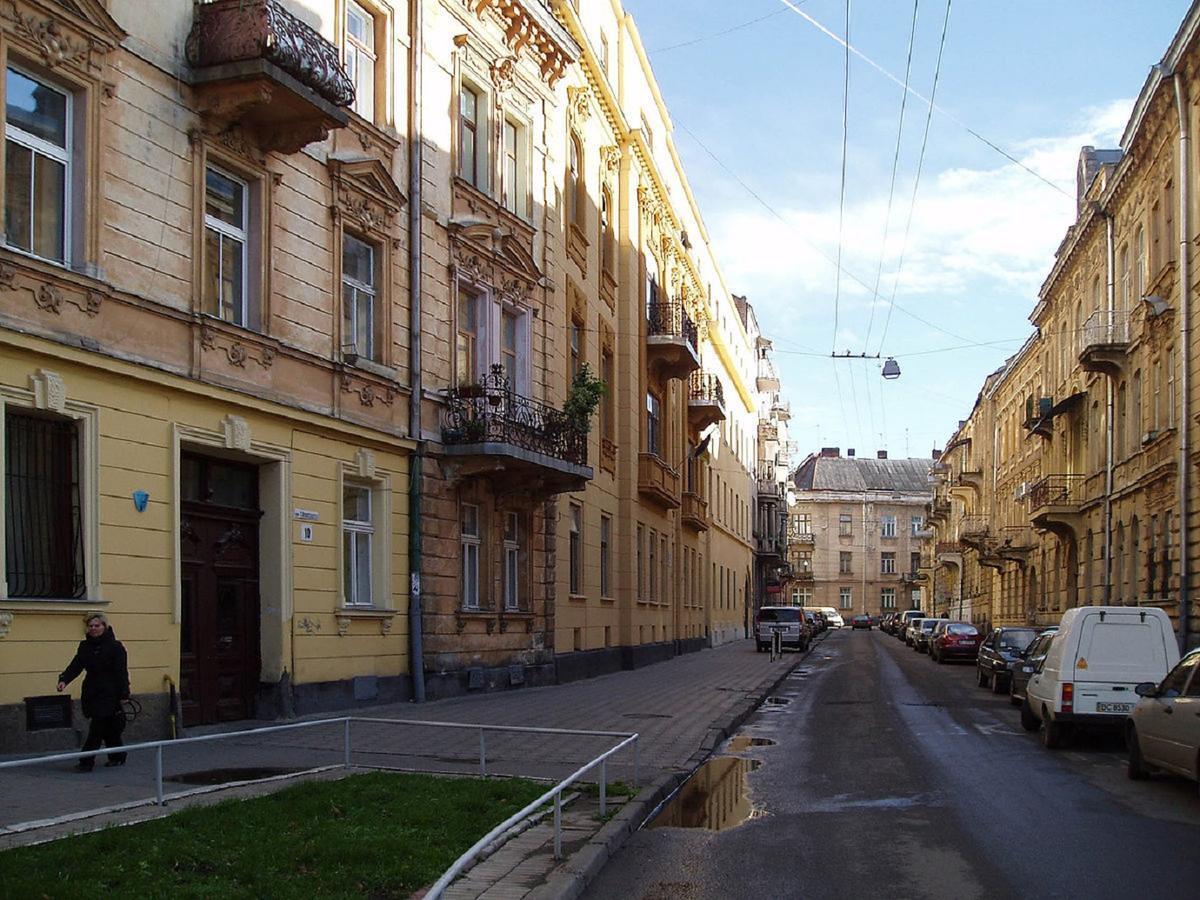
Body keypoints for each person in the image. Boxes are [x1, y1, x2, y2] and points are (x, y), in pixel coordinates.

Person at [57, 613, 130, 771]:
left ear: (104, 626)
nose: (94, 629)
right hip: (92, 691)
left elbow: (121, 672)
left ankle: (86, 761)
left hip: (110, 692)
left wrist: (124, 693)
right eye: (91, 626)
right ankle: (118, 756)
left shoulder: (115, 647)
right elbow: (76, 665)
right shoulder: (85, 646)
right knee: (109, 728)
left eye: (97, 625)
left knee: (97, 727)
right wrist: (64, 679)